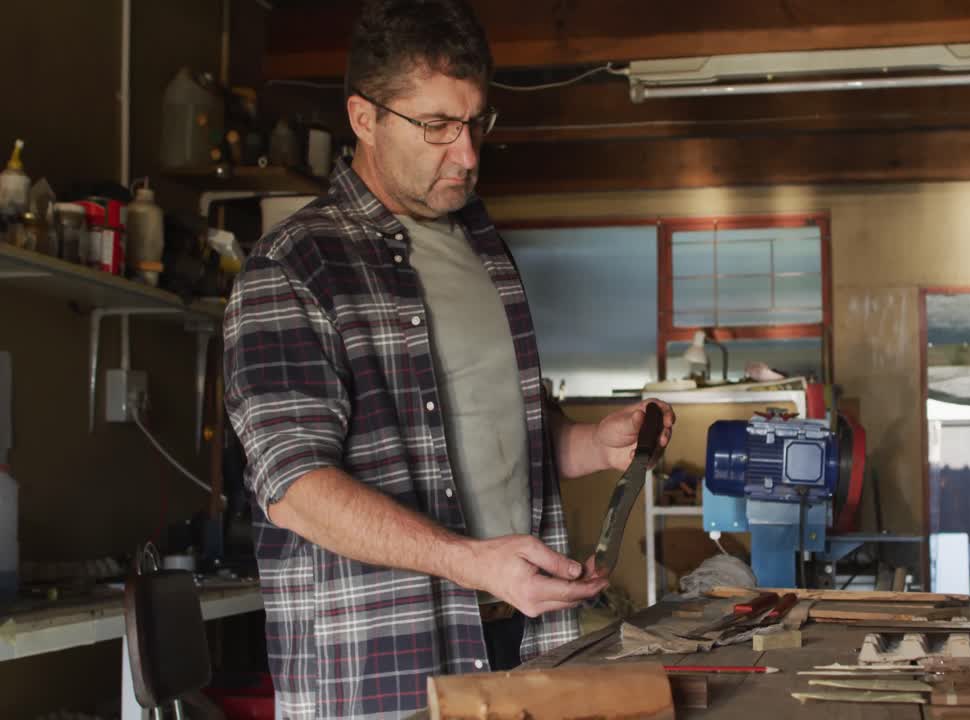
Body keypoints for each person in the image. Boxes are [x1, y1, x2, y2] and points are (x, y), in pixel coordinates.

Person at [223, 1, 674, 716]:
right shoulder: (295, 267)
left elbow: (484, 422)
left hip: (520, 640)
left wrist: (589, 444)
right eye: (436, 126)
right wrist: (470, 561)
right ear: (364, 118)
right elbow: (295, 488)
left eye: (475, 124)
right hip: (384, 662)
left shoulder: (482, 249)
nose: (465, 154)